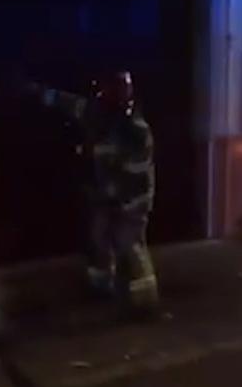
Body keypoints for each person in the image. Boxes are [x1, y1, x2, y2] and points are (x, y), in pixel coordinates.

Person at [27, 72, 160, 315]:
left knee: (130, 245)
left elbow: (134, 173)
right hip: (106, 194)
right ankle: (101, 288)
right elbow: (66, 102)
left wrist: (108, 184)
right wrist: (37, 91)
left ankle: (146, 302)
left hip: (133, 199)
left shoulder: (135, 130)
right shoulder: (95, 112)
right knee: (98, 238)